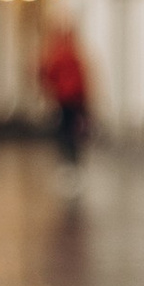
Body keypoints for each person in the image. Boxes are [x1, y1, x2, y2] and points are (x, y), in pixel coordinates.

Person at [37, 16, 92, 177]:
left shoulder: (61, 53)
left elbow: (48, 73)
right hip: (70, 100)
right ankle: (71, 163)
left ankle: (70, 163)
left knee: (67, 133)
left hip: (67, 100)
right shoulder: (70, 53)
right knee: (70, 133)